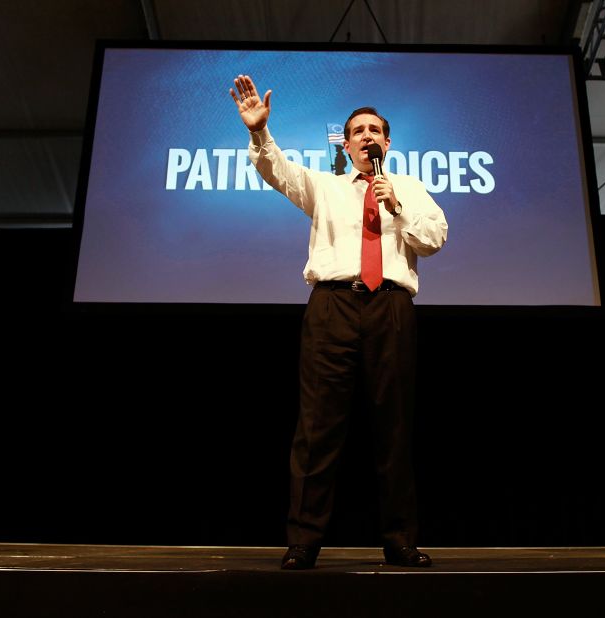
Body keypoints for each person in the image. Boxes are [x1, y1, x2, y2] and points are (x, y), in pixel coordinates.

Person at [229, 74, 448, 570]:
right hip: (332, 307)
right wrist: (259, 133)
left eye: (375, 130)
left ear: (387, 143)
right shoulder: (324, 187)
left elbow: (434, 239)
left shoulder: (409, 188)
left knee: (393, 428)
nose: (367, 137)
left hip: (390, 306)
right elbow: (278, 172)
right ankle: (303, 541)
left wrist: (397, 206)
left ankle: (399, 541)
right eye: (358, 131)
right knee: (318, 427)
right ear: (346, 144)